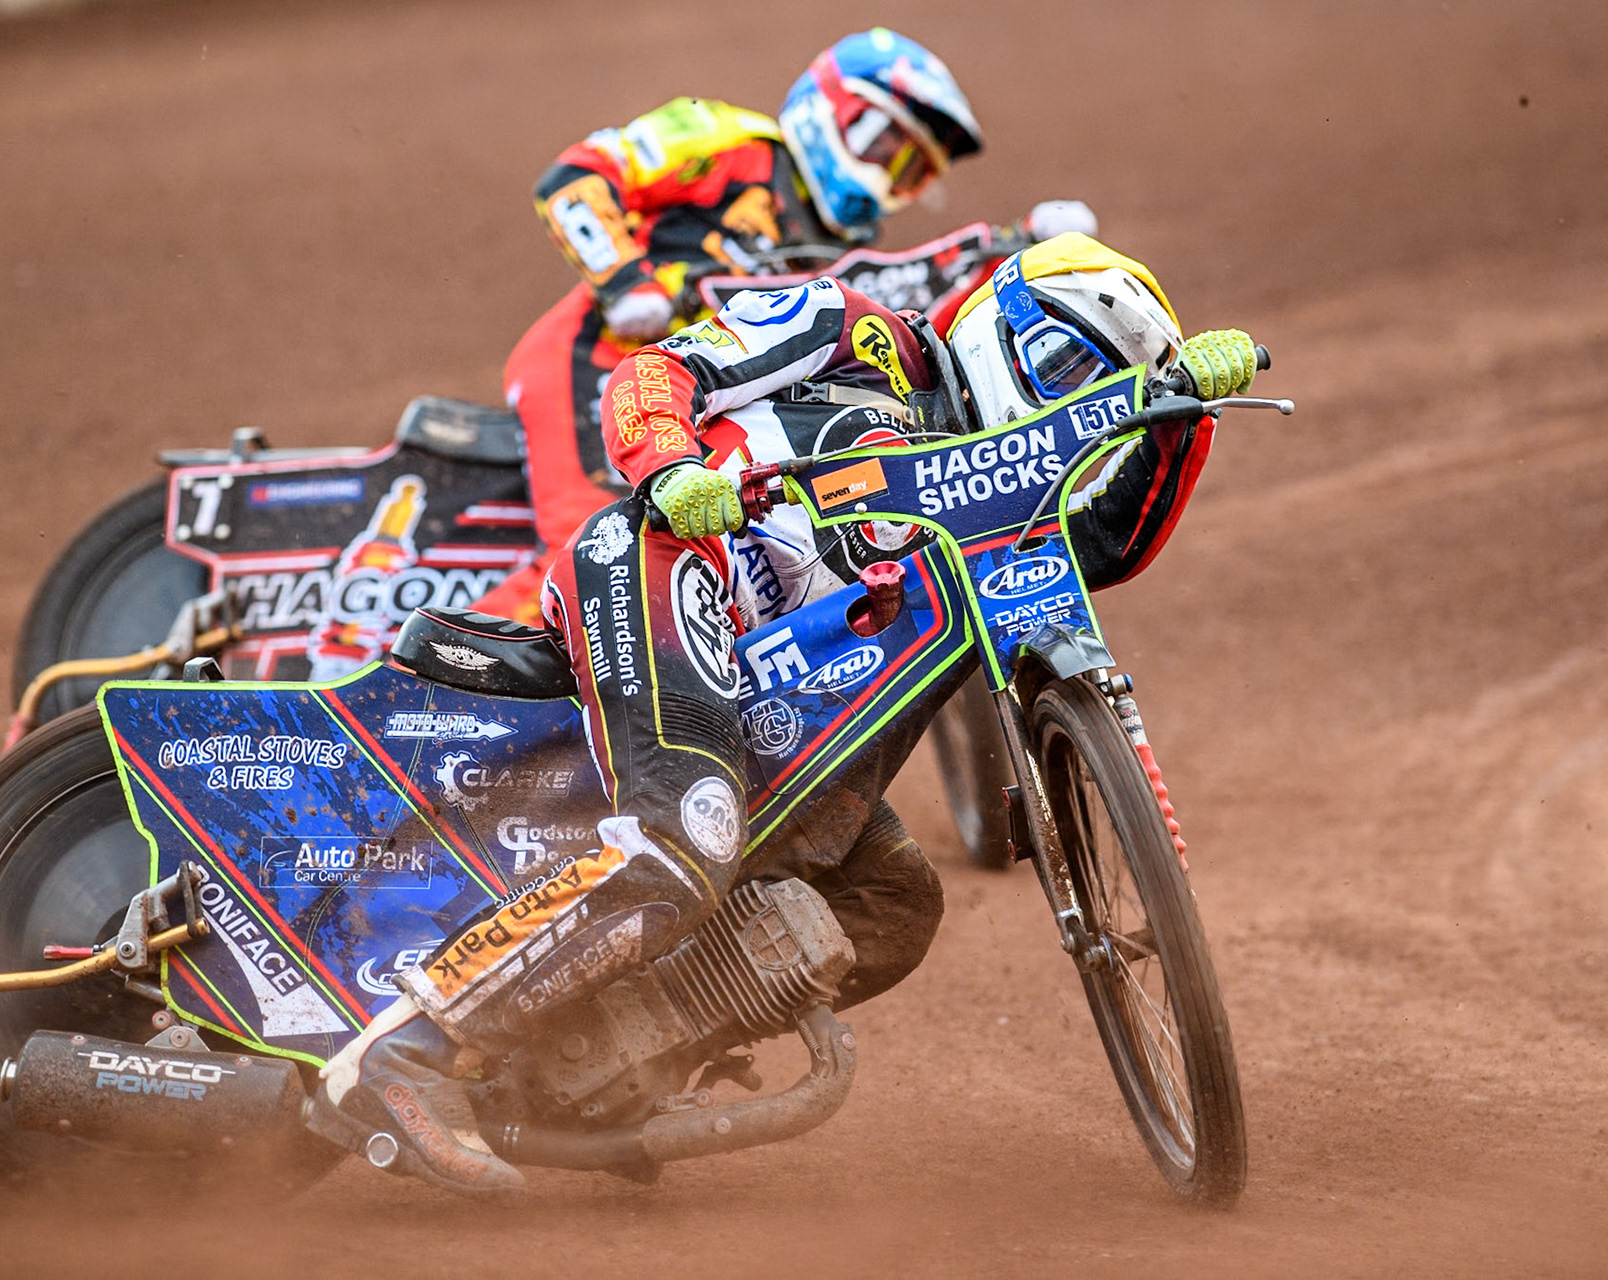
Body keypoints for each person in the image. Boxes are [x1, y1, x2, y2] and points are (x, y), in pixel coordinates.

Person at [323, 233, 1261, 1194]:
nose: (1070, 404)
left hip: (782, 702)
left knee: (894, 907)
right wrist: (670, 466)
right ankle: (412, 1055)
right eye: (1065, 367)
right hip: (669, 567)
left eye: (1102, 393)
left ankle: (600, 1069)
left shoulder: (1016, 518)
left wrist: (1178, 421)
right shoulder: (853, 330)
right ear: (994, 325)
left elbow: (1106, 543)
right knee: (687, 836)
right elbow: (657, 371)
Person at [471, 27, 1095, 624]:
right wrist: (624, 278)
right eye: (885, 147)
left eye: (910, 172)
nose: (885, 181)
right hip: (598, 359)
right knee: (596, 560)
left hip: (697, 399)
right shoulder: (726, 137)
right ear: (834, 107)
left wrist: (1017, 248)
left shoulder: (830, 257)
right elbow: (577, 175)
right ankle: (400, 703)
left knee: (693, 566)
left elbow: (908, 309)